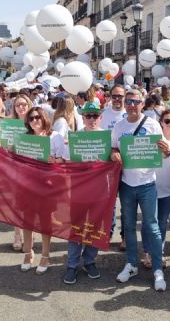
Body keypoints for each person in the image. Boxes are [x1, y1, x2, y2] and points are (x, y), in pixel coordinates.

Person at [111, 89, 166, 292]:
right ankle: (131, 264)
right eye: (128, 101)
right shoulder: (119, 126)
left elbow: (162, 150)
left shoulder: (152, 124)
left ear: (143, 104)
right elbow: (113, 148)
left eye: (135, 101)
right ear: (124, 104)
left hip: (147, 184)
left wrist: (167, 150)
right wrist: (114, 154)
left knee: (152, 227)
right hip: (126, 184)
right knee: (129, 226)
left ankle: (158, 269)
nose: (132, 104)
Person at [20, 106, 68, 274]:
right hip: (28, 185)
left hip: (47, 185)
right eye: (31, 118)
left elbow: (63, 159)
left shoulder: (55, 137)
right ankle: (27, 253)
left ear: (44, 118)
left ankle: (45, 255)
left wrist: (53, 160)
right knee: (27, 221)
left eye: (37, 117)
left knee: (45, 221)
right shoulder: (25, 138)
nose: (34, 121)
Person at [63, 101, 105, 284]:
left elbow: (115, 158)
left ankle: (89, 260)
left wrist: (112, 156)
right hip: (79, 190)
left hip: (100, 191)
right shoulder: (74, 137)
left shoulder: (106, 138)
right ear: (82, 117)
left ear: (100, 117)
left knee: (95, 227)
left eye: (95, 115)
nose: (91, 119)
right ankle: (72, 265)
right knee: (77, 227)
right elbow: (65, 162)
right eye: (88, 115)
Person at [140, 109, 170, 270]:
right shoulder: (154, 140)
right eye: (167, 121)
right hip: (150, 188)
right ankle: (147, 253)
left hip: (168, 191)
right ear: (160, 122)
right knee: (148, 222)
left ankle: (159, 252)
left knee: (162, 223)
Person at [7, 94, 31, 252]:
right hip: (15, 169)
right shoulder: (10, 124)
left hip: (32, 170)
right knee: (16, 205)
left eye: (24, 104)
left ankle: (29, 234)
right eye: (18, 105)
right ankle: (17, 235)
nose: (21, 107)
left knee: (31, 205)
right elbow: (6, 148)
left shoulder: (35, 122)